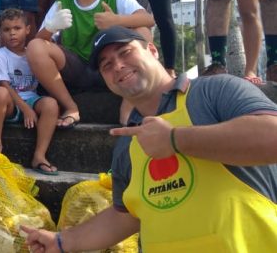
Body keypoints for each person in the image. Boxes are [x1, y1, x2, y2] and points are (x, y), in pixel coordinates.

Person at [25, 25, 277, 252]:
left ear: (153, 50)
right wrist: (62, 241)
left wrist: (176, 139)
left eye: (125, 52)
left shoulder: (214, 92)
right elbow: (126, 215)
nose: (118, 66)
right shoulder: (128, 142)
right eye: (106, 65)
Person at [26, 0, 154, 127]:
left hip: (111, 65)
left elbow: (148, 20)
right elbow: (36, 46)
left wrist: (116, 21)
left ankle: (129, 101)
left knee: (142, 32)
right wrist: (50, 28)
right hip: (77, 68)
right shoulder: (62, 4)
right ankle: (71, 107)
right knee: (35, 46)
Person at [0, 8, 60, 173]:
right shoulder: (0, 55)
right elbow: (4, 85)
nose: (12, 33)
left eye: (17, 28)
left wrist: (30, 106)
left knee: (51, 104)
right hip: (9, 105)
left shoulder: (32, 54)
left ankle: (39, 155)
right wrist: (25, 108)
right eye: (6, 30)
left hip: (32, 100)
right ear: (1, 32)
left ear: (27, 30)